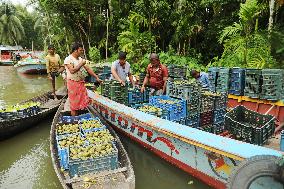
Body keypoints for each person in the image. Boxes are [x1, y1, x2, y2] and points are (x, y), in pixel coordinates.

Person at [64, 42, 102, 116]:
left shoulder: (80, 59)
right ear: (75, 50)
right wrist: (81, 63)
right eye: (80, 50)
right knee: (74, 105)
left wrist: (96, 77)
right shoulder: (68, 59)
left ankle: (80, 117)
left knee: (82, 102)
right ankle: (75, 119)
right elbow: (72, 71)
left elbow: (88, 69)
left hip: (80, 83)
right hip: (73, 84)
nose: (82, 52)